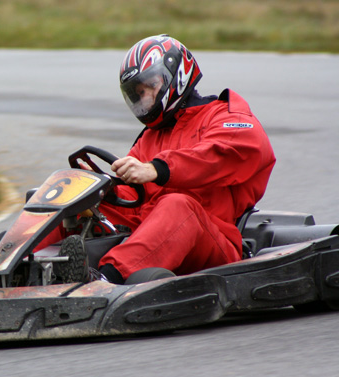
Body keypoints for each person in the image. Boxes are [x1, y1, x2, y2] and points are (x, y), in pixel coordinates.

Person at [40, 34, 276, 284]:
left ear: (176, 74)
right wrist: (101, 191)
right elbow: (133, 197)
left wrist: (158, 169)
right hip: (150, 234)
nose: (145, 99)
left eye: (150, 86)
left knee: (177, 205)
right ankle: (20, 265)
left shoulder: (227, 117)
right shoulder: (151, 137)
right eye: (138, 93)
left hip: (213, 243)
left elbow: (222, 154)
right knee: (71, 199)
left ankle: (104, 281)